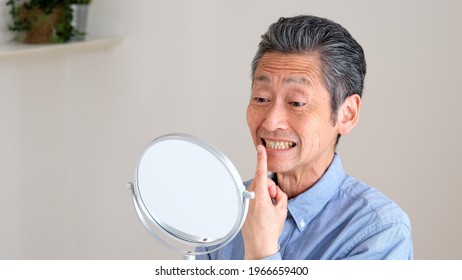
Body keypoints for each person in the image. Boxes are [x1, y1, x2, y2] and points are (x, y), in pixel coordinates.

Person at [198, 15, 413, 260]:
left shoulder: (380, 230)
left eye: (296, 102)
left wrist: (261, 249)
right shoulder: (224, 210)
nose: (271, 121)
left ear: (347, 114)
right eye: (261, 98)